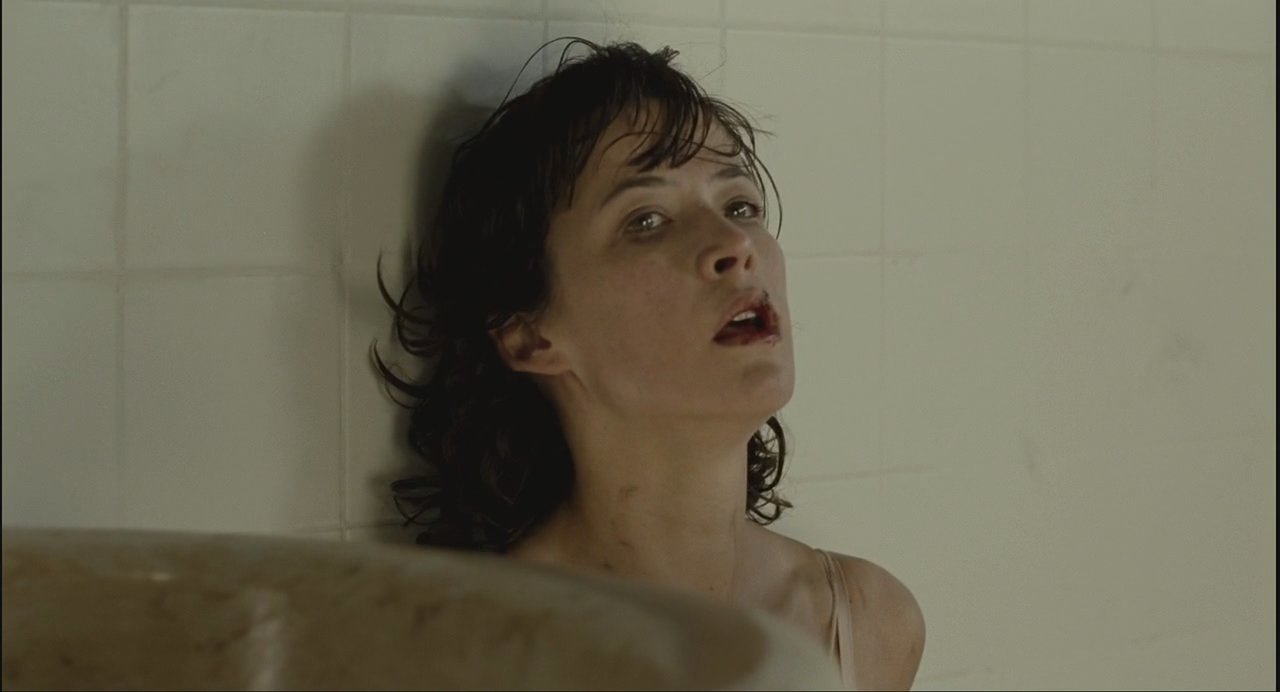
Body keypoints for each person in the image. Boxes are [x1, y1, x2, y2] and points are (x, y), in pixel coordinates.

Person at [375, 37, 924, 690]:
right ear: (529, 336)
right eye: (647, 220)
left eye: (740, 206)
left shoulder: (868, 622)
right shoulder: (473, 656)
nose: (734, 244)